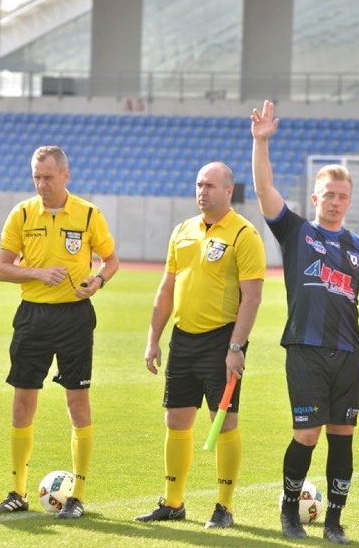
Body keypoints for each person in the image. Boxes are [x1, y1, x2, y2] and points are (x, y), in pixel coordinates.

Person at [250, 100, 359, 545]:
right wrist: (261, 144)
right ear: (315, 197)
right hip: (305, 349)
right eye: (327, 195)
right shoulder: (296, 231)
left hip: (349, 354)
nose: (334, 202)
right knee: (307, 433)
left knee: (343, 436)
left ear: (350, 201)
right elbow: (264, 191)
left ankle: (334, 521)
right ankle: (289, 510)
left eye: (342, 196)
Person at [0, 146, 119, 520]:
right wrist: (38, 273)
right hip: (32, 317)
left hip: (75, 318)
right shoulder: (22, 213)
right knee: (22, 402)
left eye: (47, 176)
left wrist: (98, 281)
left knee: (77, 403)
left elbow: (111, 261)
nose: (41, 184)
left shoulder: (89, 214)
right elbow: (3, 268)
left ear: (65, 175)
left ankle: (77, 495)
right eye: (36, 177)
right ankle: (17, 491)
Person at [134, 162, 265, 529]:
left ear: (228, 191)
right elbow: (166, 288)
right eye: (198, 184)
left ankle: (225, 506)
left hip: (223, 341)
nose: (201, 191)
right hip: (183, 338)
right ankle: (173, 502)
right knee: (176, 419)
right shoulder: (182, 230)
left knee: (223, 423)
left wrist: (236, 347)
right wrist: (153, 339)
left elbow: (252, 297)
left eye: (209, 185)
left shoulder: (244, 234)